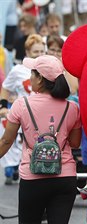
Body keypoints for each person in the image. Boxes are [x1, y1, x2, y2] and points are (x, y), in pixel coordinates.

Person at [0, 55, 81, 224]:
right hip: (65, 176)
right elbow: (75, 143)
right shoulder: (72, 107)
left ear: (40, 80)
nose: (30, 78)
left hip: (33, 177)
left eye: (33, 74)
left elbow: (6, 141)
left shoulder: (21, 105)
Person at [1, 34, 45, 186]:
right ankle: (14, 167)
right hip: (22, 114)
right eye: (35, 52)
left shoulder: (48, 69)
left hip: (43, 116)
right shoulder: (18, 70)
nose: (39, 55)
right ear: (27, 52)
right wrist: (3, 106)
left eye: (41, 52)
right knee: (18, 143)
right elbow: (6, 88)